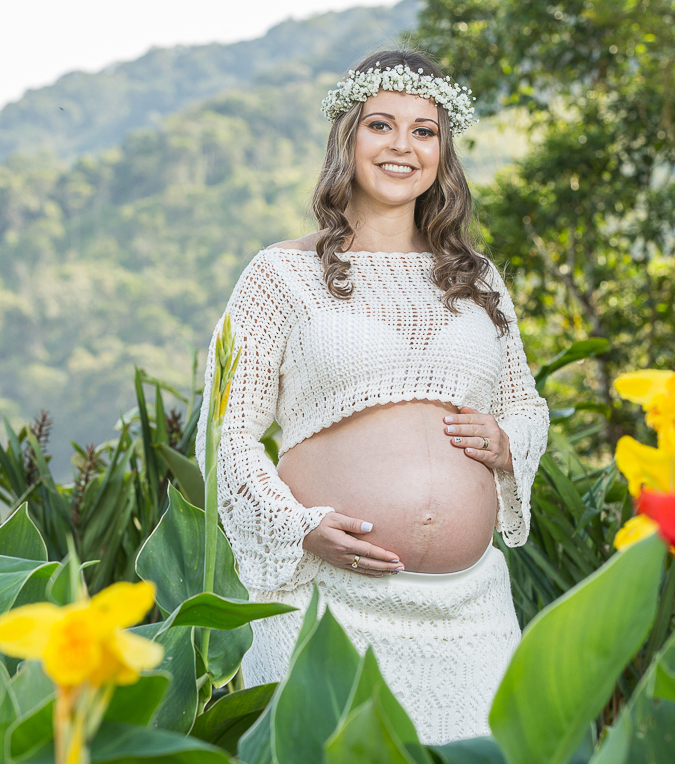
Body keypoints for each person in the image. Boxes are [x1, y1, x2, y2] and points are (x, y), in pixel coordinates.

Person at [195, 48, 550, 745]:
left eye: (424, 131)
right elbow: (224, 433)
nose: (402, 146)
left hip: (470, 611)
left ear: (443, 154)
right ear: (347, 138)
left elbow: (525, 404)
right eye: (381, 125)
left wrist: (509, 444)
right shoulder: (281, 274)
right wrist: (296, 525)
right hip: (325, 608)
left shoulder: (476, 276)